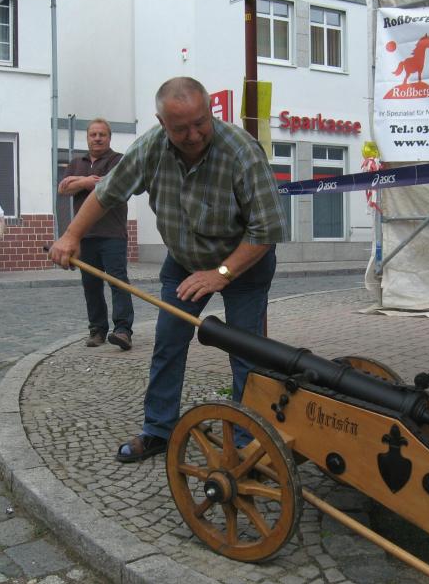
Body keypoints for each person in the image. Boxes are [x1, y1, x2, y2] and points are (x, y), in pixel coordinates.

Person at [49, 77, 288, 463]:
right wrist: (71, 235)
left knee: (246, 353)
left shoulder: (242, 151)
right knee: (168, 343)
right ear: (162, 123)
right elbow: (106, 194)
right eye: (181, 128)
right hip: (184, 260)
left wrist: (221, 274)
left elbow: (268, 230)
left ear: (209, 112)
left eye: (200, 123)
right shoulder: (150, 148)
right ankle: (159, 430)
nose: (194, 135)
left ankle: (248, 444)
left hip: (245, 265)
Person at [58, 118, 135, 350]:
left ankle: (123, 331)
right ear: (87, 138)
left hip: (113, 233)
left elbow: (110, 185)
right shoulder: (76, 162)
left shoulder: (118, 160)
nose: (98, 138)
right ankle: (97, 330)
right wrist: (86, 180)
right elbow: (62, 189)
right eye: (93, 134)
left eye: (102, 134)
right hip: (85, 236)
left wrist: (78, 182)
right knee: (91, 285)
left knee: (118, 282)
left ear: (109, 137)